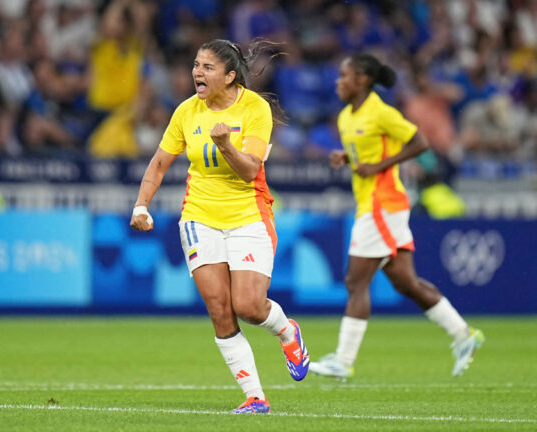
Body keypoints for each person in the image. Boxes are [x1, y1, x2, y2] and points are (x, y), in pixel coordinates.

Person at [130, 39, 309, 414]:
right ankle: (255, 397)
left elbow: (249, 172)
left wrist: (226, 144)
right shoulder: (186, 112)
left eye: (208, 67)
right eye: (196, 64)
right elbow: (160, 162)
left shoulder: (254, 108)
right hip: (199, 218)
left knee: (248, 305)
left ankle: (287, 331)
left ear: (230, 76)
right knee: (219, 309)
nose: (198, 71)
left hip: (248, 215)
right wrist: (141, 205)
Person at [309, 54, 484, 381]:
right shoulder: (347, 116)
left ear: (362, 80)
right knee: (406, 283)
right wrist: (346, 157)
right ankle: (464, 335)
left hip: (383, 203)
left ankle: (343, 361)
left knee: (355, 281)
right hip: (374, 205)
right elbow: (365, 151)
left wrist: (379, 167)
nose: (338, 81)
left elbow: (420, 143)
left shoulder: (382, 112)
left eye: (344, 76)